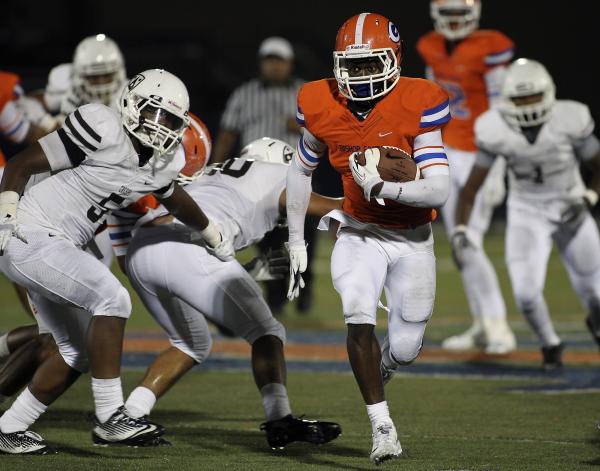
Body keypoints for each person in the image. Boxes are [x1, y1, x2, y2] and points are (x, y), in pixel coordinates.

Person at [0, 69, 234, 454]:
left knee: (76, 351)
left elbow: (176, 200)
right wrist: (7, 214)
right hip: (28, 231)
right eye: (153, 113)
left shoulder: (161, 162)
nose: (160, 127)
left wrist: (211, 233)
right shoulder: (102, 125)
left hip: (58, 245)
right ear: (130, 104)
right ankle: (110, 417)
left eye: (171, 120)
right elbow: (20, 164)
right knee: (113, 298)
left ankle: (10, 427)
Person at [286, 12, 451, 464]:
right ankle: (382, 426)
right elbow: (300, 170)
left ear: (393, 59)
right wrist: (297, 241)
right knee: (357, 310)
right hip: (358, 230)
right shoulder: (320, 101)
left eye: (369, 64)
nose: (359, 75)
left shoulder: (419, 99)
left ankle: (384, 368)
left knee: (405, 348)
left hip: (413, 237)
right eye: (351, 65)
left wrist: (383, 186)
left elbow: (439, 188)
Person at [108, 137, 342, 449]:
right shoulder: (276, 173)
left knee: (191, 343)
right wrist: (378, 201)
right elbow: (322, 206)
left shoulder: (214, 173)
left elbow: (207, 278)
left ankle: (129, 415)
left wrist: (250, 271)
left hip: (144, 248)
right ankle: (279, 420)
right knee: (267, 331)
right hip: (189, 247)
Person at [454, 58, 600, 370]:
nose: (527, 105)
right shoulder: (495, 129)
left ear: (548, 93)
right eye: (520, 98)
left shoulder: (570, 118)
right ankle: (550, 344)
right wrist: (461, 229)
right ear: (506, 100)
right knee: (526, 294)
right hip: (527, 212)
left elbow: (598, 166)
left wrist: (589, 197)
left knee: (594, 292)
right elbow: (470, 187)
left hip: (571, 205)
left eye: (533, 96)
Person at [417, 0, 516, 353]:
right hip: (447, 151)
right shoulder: (429, 45)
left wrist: (499, 165)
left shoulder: (491, 48)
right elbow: (432, 97)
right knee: (460, 245)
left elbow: (503, 107)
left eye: (461, 13)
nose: (455, 21)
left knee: (468, 241)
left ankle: (498, 326)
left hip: (481, 154)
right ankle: (481, 325)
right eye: (449, 14)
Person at [211, 36, 310, 315]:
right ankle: (276, 299)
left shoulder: (305, 92)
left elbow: (325, 135)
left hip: (295, 177)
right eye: (269, 61)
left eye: (279, 61)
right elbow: (228, 133)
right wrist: (214, 170)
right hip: (253, 182)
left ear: (290, 63)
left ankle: (304, 292)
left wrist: (301, 127)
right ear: (261, 63)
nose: (274, 67)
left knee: (303, 239)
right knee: (267, 242)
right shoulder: (244, 93)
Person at [44, 34, 126, 118]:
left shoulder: (130, 96)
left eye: (107, 76)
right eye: (93, 77)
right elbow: (38, 101)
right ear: (79, 75)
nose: (100, 82)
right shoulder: (70, 93)